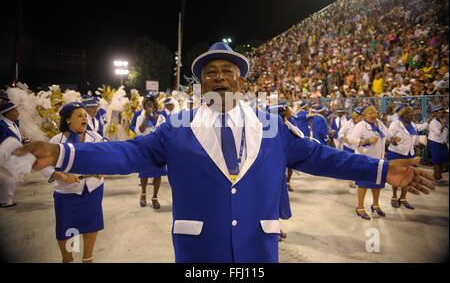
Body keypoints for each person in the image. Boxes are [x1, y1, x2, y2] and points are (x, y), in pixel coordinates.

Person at [14, 42, 434, 263]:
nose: (219, 78)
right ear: (200, 86)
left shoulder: (272, 127)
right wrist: (64, 155)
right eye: (210, 73)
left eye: (227, 72)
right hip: (199, 252)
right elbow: (127, 154)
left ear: (240, 83)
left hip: (258, 249)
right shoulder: (175, 127)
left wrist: (381, 169)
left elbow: (324, 156)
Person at [40, 102, 105, 263]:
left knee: (91, 224)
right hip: (67, 193)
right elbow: (43, 166)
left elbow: (106, 156)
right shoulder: (57, 140)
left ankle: (87, 258)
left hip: (92, 189)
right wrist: (61, 176)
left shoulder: (95, 137)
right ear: (68, 119)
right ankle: (68, 258)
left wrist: (103, 168)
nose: (85, 118)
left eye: (85, 115)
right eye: (79, 115)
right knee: (68, 228)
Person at [349, 105, 401, 220]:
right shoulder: (360, 126)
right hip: (364, 160)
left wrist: (393, 139)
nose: (373, 115)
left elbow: (387, 135)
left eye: (375, 112)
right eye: (370, 113)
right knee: (363, 184)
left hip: (379, 159)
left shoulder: (379, 124)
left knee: (377, 183)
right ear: (364, 115)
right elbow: (352, 141)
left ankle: (376, 205)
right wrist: (367, 141)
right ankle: (360, 207)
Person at [388, 104, 429, 208]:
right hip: (396, 153)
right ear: (404, 114)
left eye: (412, 113)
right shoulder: (395, 124)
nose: (413, 115)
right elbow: (389, 137)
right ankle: (394, 197)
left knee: (408, 176)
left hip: (409, 154)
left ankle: (403, 198)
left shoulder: (412, 125)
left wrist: (418, 147)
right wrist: (393, 141)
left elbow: (414, 137)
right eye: (410, 113)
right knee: (396, 176)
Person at [133, 95, 167, 209]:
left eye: (151, 104)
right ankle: (143, 195)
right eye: (147, 105)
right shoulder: (140, 117)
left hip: (158, 149)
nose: (149, 107)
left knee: (157, 174)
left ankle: (155, 197)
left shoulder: (161, 117)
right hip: (145, 148)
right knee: (144, 173)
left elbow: (164, 132)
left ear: (155, 105)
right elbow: (139, 131)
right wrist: (146, 118)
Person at [0, 98, 24, 208]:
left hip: (13, 155)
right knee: (7, 178)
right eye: (15, 111)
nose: (17, 113)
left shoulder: (14, 123)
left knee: (11, 178)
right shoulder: (2, 126)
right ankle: (5, 201)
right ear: (7, 113)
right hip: (5, 156)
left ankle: (7, 199)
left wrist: (22, 141)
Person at [338, 107, 364, 188]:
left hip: (359, 147)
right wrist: (346, 139)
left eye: (360, 116)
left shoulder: (363, 124)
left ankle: (357, 179)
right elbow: (340, 133)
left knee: (358, 164)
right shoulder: (348, 123)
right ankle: (350, 179)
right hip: (348, 147)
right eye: (357, 116)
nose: (359, 118)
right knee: (350, 163)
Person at [427, 106, 449, 186]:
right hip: (435, 142)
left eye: (442, 113)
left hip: (443, 143)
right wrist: (443, 126)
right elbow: (438, 133)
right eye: (438, 112)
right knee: (436, 161)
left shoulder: (443, 120)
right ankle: (436, 178)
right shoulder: (433, 122)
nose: (440, 114)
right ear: (435, 113)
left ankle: (440, 177)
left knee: (443, 160)